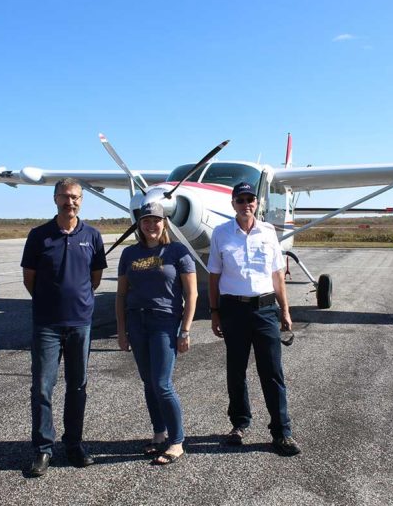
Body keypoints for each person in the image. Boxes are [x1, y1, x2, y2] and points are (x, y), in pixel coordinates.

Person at [207, 181, 302, 456]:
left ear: (256, 203)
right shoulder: (221, 233)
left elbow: (277, 275)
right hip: (233, 310)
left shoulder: (269, 232)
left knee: (272, 372)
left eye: (250, 199)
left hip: (265, 310)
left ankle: (282, 432)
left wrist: (285, 310)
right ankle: (239, 424)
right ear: (233, 204)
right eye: (240, 200)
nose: (246, 204)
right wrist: (214, 312)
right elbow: (214, 276)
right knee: (236, 371)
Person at [21, 179, 107, 476]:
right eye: (65, 196)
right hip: (47, 324)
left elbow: (95, 278)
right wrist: (50, 301)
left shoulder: (93, 236)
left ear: (81, 200)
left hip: (80, 323)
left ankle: (73, 444)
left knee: (78, 385)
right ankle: (43, 449)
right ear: (55, 198)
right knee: (42, 387)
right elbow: (29, 279)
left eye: (75, 197)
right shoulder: (38, 235)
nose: (70, 202)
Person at [115, 202, 197, 465]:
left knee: (162, 383)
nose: (151, 225)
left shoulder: (178, 251)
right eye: (146, 221)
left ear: (164, 223)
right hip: (136, 321)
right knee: (148, 382)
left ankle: (177, 441)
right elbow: (121, 294)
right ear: (139, 225)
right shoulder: (129, 253)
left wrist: (185, 330)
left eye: (156, 220)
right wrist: (121, 330)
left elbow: (192, 294)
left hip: (164, 321)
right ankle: (159, 433)